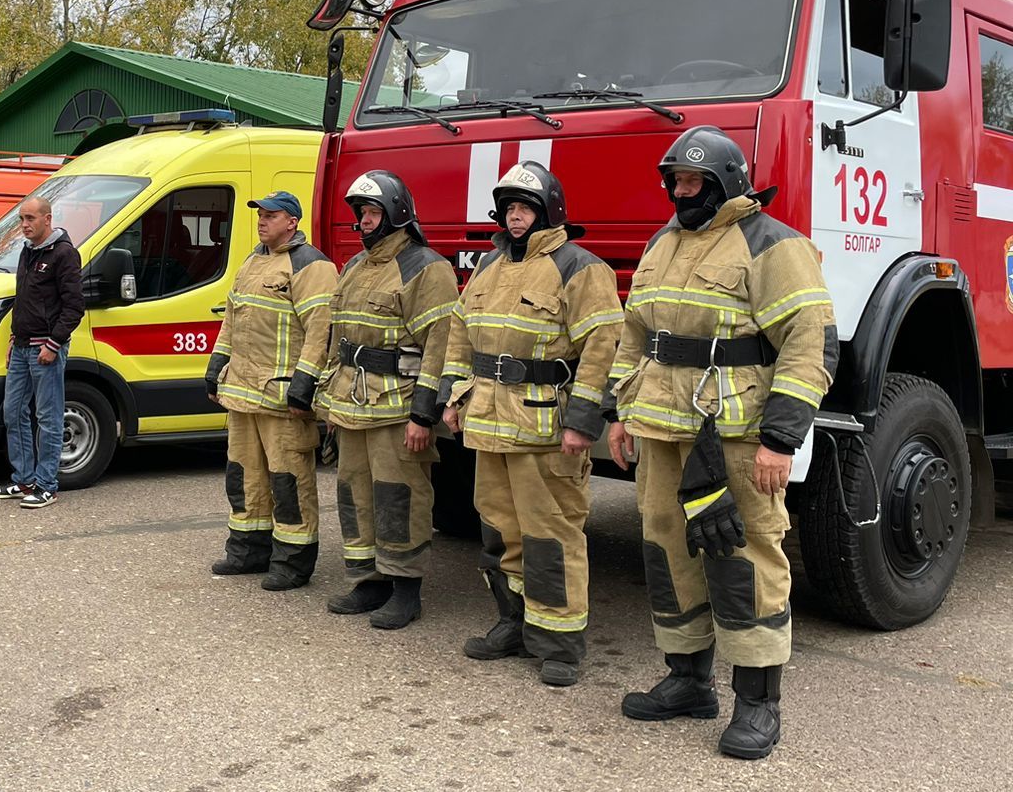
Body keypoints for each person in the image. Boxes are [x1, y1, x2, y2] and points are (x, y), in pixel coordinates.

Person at [604, 126, 835, 759]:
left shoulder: (772, 244)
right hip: (661, 432)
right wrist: (619, 411)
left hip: (735, 436)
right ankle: (687, 683)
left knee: (745, 559)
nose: (683, 191)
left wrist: (781, 440)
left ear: (726, 181)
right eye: (676, 180)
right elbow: (635, 332)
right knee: (667, 552)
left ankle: (758, 704)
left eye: (695, 181)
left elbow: (810, 343)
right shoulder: (662, 243)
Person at [438, 163, 623, 685]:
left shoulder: (579, 267)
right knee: (500, 529)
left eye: (525, 208)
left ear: (547, 213)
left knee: (552, 533)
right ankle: (513, 623)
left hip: (545, 427)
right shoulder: (490, 266)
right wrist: (451, 397)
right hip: (489, 423)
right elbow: (459, 334)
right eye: (509, 208)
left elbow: (603, 345)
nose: (515, 217)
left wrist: (583, 421)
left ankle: (560, 643)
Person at [315, 171, 458, 630]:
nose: (364, 222)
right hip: (352, 404)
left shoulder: (426, 268)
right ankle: (368, 581)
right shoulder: (356, 267)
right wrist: (330, 402)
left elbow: (440, 343)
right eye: (360, 214)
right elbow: (338, 338)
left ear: (396, 214)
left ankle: (405, 589)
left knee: (400, 497)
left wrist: (424, 413)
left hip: (398, 407)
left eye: (372, 213)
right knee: (355, 494)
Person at [202, 191, 337, 591]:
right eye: (260, 215)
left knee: (288, 480)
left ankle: (293, 562)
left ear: (292, 221)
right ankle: (247, 551)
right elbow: (232, 318)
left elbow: (321, 331)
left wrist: (305, 385)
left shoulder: (311, 266)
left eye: (271, 215)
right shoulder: (252, 260)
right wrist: (215, 366)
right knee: (245, 477)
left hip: (282, 399)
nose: (262, 221)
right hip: (243, 392)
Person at [0, 196, 83, 509]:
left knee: (49, 418)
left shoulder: (65, 254)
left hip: (46, 350)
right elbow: (24, 300)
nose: (24, 225)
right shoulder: (27, 252)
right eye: (21, 219)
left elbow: (74, 307)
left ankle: (47, 485)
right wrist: (14, 337)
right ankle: (24, 480)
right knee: (13, 412)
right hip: (23, 346)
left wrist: (53, 344)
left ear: (47, 219)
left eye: (30, 219)